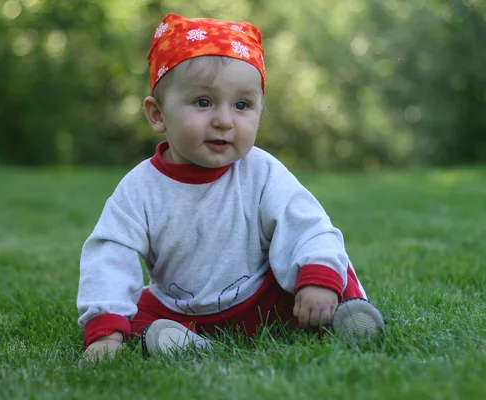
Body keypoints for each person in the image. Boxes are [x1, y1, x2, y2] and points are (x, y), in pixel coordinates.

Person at [77, 13, 385, 360]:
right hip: (181, 310)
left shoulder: (262, 171)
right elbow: (109, 254)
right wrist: (104, 331)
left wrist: (316, 280)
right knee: (133, 314)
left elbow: (306, 224)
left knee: (325, 265)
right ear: (157, 114)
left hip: (264, 298)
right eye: (203, 102)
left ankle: (346, 315)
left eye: (242, 105)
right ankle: (180, 340)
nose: (224, 120)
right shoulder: (139, 190)